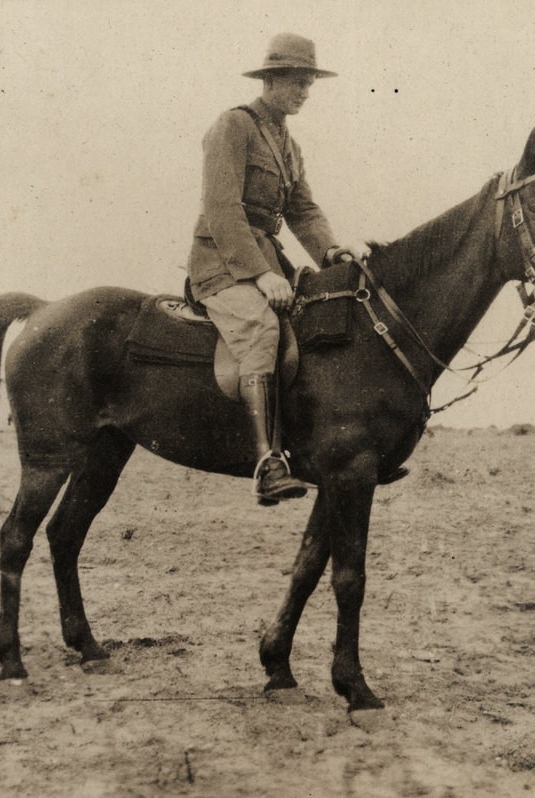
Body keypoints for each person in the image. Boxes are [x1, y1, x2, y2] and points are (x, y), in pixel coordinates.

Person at [186, 32, 360, 505]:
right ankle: (267, 464)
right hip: (222, 261)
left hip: (268, 256)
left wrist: (331, 254)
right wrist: (259, 273)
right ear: (271, 80)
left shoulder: (289, 145)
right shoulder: (233, 126)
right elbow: (221, 207)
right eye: (298, 82)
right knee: (262, 329)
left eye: (309, 83)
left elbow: (303, 211)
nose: (305, 91)